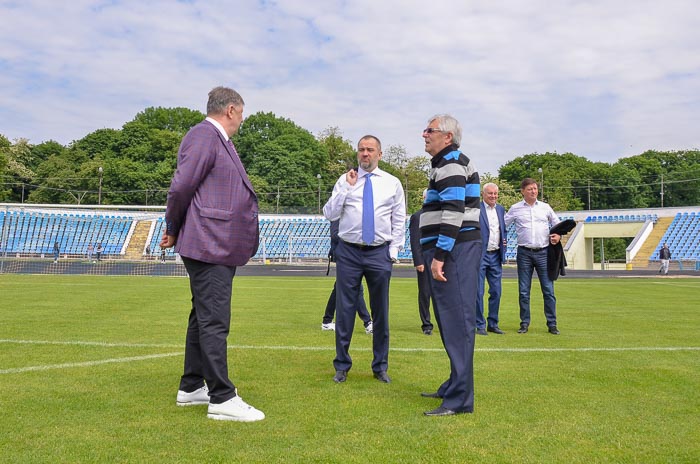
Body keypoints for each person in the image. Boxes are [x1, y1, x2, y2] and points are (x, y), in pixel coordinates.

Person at [160, 86, 264, 422]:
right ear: (231, 110)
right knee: (215, 318)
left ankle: (191, 386)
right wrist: (173, 227)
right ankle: (221, 396)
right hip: (210, 242)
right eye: (242, 113)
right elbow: (181, 186)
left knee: (202, 316)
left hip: (214, 241)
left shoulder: (215, 140)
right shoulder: (205, 135)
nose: (242, 120)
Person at [323, 135, 406, 384]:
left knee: (380, 311)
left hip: (379, 251)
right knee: (345, 310)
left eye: (370, 150)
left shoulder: (392, 183)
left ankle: (380, 366)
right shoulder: (346, 179)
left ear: (379, 154)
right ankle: (342, 365)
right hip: (349, 251)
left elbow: (399, 218)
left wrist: (393, 251)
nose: (365, 154)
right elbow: (329, 213)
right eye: (361, 150)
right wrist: (347, 188)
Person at [419, 114, 481, 417]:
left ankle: (459, 399)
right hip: (455, 249)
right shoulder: (446, 163)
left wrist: (441, 254)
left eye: (429, 130)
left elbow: (454, 210)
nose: (423, 134)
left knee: (457, 321)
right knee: (450, 319)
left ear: (447, 136)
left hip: (455, 251)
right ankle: (455, 383)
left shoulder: (451, 164)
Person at [504, 178, 561, 335]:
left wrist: (557, 235)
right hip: (524, 253)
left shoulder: (545, 207)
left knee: (548, 290)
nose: (533, 191)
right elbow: (503, 225)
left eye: (535, 188)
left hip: (543, 252)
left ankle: (552, 324)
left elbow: (557, 225)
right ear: (522, 191)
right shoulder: (515, 209)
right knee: (523, 291)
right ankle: (524, 323)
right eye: (530, 189)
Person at [322, 220, 373, 334]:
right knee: (356, 287)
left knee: (339, 288)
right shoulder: (339, 215)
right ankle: (368, 322)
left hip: (349, 254)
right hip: (345, 255)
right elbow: (335, 235)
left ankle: (327, 320)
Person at [476, 183, 507, 336]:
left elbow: (503, 230)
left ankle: (493, 324)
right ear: (483, 194)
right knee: (478, 292)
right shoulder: (476, 209)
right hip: (480, 256)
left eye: (495, 193)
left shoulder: (501, 209)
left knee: (496, 291)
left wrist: (504, 246)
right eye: (490, 193)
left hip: (495, 255)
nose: (493, 196)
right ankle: (480, 324)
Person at [409, 190, 434, 335]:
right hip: (424, 260)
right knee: (425, 293)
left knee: (442, 294)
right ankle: (426, 324)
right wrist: (418, 261)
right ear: (424, 198)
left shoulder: (440, 215)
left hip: (439, 260)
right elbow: (415, 240)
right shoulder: (417, 216)